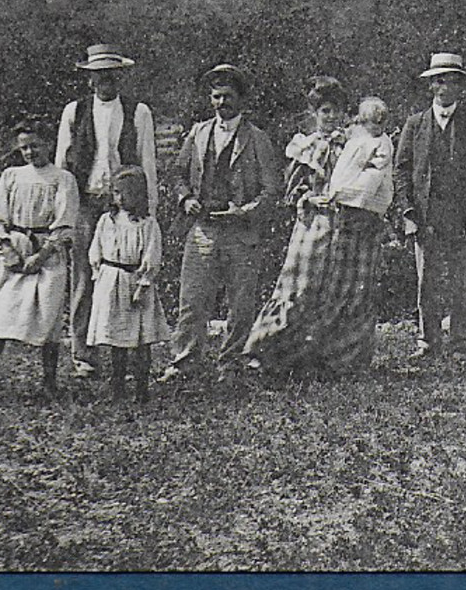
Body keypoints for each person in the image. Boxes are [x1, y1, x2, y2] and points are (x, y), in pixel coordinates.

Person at [162, 63, 280, 381]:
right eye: (215, 96)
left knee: (240, 303)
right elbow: (176, 172)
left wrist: (244, 211)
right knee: (192, 298)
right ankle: (185, 359)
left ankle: (232, 360)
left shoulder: (257, 139)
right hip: (203, 228)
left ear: (241, 99)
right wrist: (186, 198)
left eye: (227, 96)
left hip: (241, 232)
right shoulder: (199, 133)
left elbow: (271, 191)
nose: (221, 103)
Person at [244, 78, 370, 374]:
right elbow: (292, 189)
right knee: (300, 287)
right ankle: (274, 352)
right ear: (314, 113)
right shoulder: (305, 146)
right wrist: (310, 197)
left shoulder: (354, 144)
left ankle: (333, 359)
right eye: (325, 111)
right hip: (314, 223)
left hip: (346, 226)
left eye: (336, 111)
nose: (331, 117)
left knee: (341, 288)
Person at [55, 44, 158, 379]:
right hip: (87, 203)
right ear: (89, 79)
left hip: (125, 207)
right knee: (85, 277)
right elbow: (62, 166)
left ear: (120, 77)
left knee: (126, 277)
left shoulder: (137, 112)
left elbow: (148, 164)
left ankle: (124, 350)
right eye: (99, 76)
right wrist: (63, 218)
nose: (105, 82)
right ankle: (83, 352)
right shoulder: (75, 111)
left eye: (111, 75)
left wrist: (149, 212)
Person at [0, 120, 80, 401]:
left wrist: (42, 256)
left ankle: (49, 384)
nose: (29, 152)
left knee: (48, 319)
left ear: (48, 144)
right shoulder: (11, 175)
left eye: (35, 145)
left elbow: (64, 224)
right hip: (13, 249)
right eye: (24, 147)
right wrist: (5, 247)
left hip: (45, 253)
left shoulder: (62, 179)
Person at [394, 53, 466, 359]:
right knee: (427, 281)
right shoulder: (415, 124)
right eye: (440, 81)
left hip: (462, 215)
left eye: (452, 81)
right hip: (426, 216)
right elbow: (401, 170)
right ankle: (428, 340)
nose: (445, 88)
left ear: (461, 86)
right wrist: (408, 213)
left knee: (462, 281)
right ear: (431, 86)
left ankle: (460, 340)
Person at [86, 166, 170, 402]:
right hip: (111, 281)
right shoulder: (106, 221)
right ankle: (118, 387)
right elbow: (96, 249)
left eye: (127, 193)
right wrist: (99, 276)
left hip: (134, 283)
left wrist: (144, 284)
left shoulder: (147, 224)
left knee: (140, 339)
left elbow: (152, 256)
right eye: (116, 192)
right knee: (116, 339)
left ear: (139, 195)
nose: (121, 199)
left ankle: (142, 389)